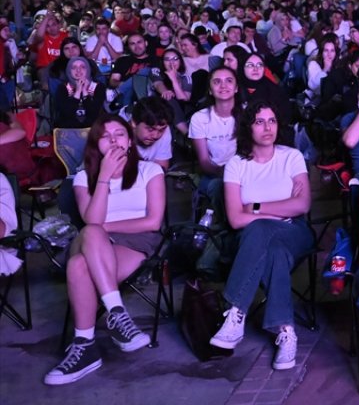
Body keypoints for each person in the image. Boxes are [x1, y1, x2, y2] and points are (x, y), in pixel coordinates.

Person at [44, 116, 165, 385]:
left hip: (135, 241)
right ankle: (117, 314)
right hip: (87, 240)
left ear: (130, 141)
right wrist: (104, 178)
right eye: (105, 136)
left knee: (79, 265)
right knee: (91, 232)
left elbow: (153, 221)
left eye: (120, 134)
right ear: (95, 144)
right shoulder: (83, 177)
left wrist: (103, 227)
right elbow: (90, 220)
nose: (113, 140)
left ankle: (85, 346)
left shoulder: (150, 171)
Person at [210, 102, 315, 370]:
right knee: (274, 252)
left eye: (272, 120)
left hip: (294, 231)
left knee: (258, 227)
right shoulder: (236, 164)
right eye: (259, 121)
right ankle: (286, 332)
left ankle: (235, 311)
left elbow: (301, 206)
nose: (267, 127)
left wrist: (257, 207)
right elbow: (235, 219)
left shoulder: (291, 156)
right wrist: (280, 209)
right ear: (248, 127)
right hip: (252, 240)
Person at [190, 66, 239, 215]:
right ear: (210, 90)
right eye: (217, 82)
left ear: (236, 88)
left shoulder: (248, 113)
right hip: (214, 173)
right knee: (220, 188)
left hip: (245, 171)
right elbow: (204, 162)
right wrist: (227, 175)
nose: (223, 85)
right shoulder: (200, 118)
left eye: (229, 81)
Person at [54, 57, 106, 129]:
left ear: (88, 69)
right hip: (69, 131)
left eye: (83, 67)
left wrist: (85, 91)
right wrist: (78, 92)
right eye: (74, 67)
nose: (78, 70)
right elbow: (66, 114)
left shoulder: (98, 87)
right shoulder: (62, 88)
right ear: (69, 71)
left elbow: (94, 114)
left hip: (93, 130)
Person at [151, 48, 193, 133]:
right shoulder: (156, 71)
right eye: (167, 59)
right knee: (168, 98)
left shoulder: (186, 78)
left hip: (180, 109)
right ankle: (186, 133)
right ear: (162, 62)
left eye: (175, 59)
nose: (171, 62)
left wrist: (174, 79)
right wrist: (165, 91)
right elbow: (158, 83)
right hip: (155, 106)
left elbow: (184, 98)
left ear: (180, 61)